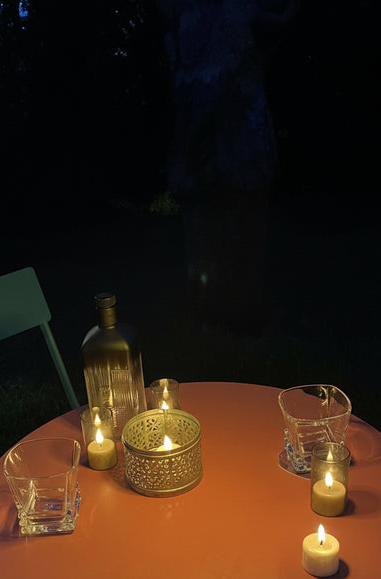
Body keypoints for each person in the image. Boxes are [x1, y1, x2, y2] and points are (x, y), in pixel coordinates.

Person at [155, 0, 299, 333]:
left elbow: (225, 68)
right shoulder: (190, 17)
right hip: (213, 139)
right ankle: (216, 315)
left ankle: (237, 315)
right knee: (212, 229)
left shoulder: (227, 12)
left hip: (233, 139)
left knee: (238, 225)